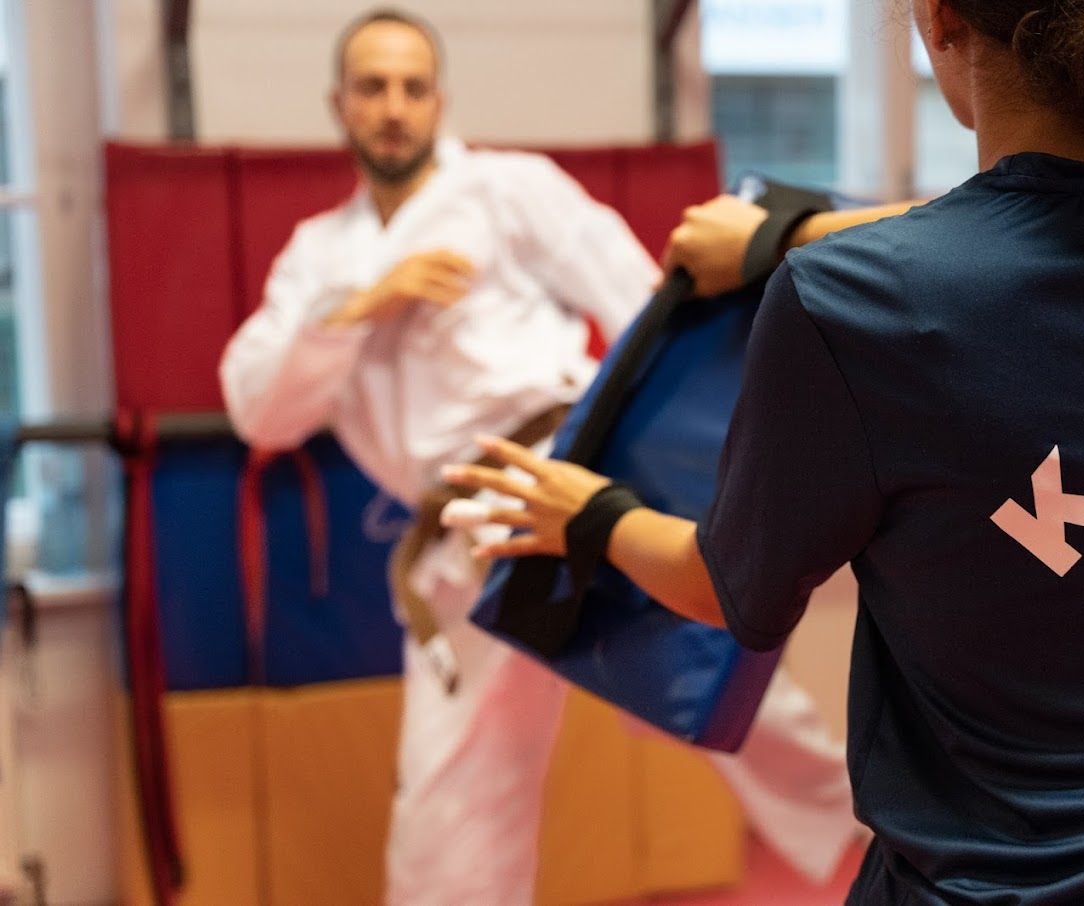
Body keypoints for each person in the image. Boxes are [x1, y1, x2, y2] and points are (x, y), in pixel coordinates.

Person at [447, 0, 1084, 901]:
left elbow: (723, 589)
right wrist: (787, 237)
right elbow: (1071, 206)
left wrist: (591, 515)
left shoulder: (857, 306)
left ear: (940, 22)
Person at [219, 8, 861, 904]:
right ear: (341, 104)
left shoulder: (506, 190)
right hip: (463, 533)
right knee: (453, 794)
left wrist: (685, 459)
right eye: (373, 88)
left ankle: (901, 873)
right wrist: (365, 303)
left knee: (746, 706)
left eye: (413, 86)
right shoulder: (318, 260)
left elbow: (639, 302)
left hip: (572, 474)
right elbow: (258, 410)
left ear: (439, 97)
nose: (395, 107)